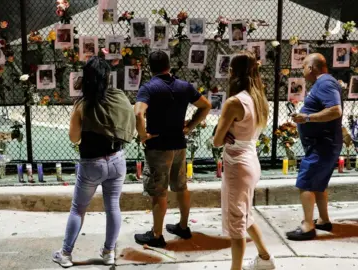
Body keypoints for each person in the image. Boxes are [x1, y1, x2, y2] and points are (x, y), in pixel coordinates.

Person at [52, 56, 136, 267]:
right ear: (107, 77)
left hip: (91, 164)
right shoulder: (119, 97)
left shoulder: (83, 105)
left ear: (86, 78)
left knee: (78, 209)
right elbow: (130, 124)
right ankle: (109, 253)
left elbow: (74, 138)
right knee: (113, 207)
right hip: (117, 160)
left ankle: (66, 254)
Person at [134, 50, 211, 247]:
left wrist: (143, 135)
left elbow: (138, 114)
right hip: (179, 144)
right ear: (169, 65)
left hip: (158, 147)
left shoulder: (149, 88)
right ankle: (183, 227)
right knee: (181, 186)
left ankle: (157, 235)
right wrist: (190, 126)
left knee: (159, 192)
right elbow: (206, 105)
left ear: (150, 68)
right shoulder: (184, 86)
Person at [213, 51, 276, 270]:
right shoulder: (258, 99)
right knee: (245, 215)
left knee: (236, 225)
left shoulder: (234, 102)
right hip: (251, 160)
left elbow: (217, 141)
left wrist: (222, 133)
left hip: (237, 165)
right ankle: (265, 258)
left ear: (232, 72)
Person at [286, 53, 343, 241]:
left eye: (303, 66)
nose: (302, 71)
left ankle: (307, 226)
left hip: (322, 145)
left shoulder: (325, 83)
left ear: (311, 68)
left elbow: (335, 110)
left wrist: (307, 118)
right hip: (322, 144)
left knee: (306, 183)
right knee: (318, 184)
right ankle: (323, 221)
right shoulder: (324, 83)